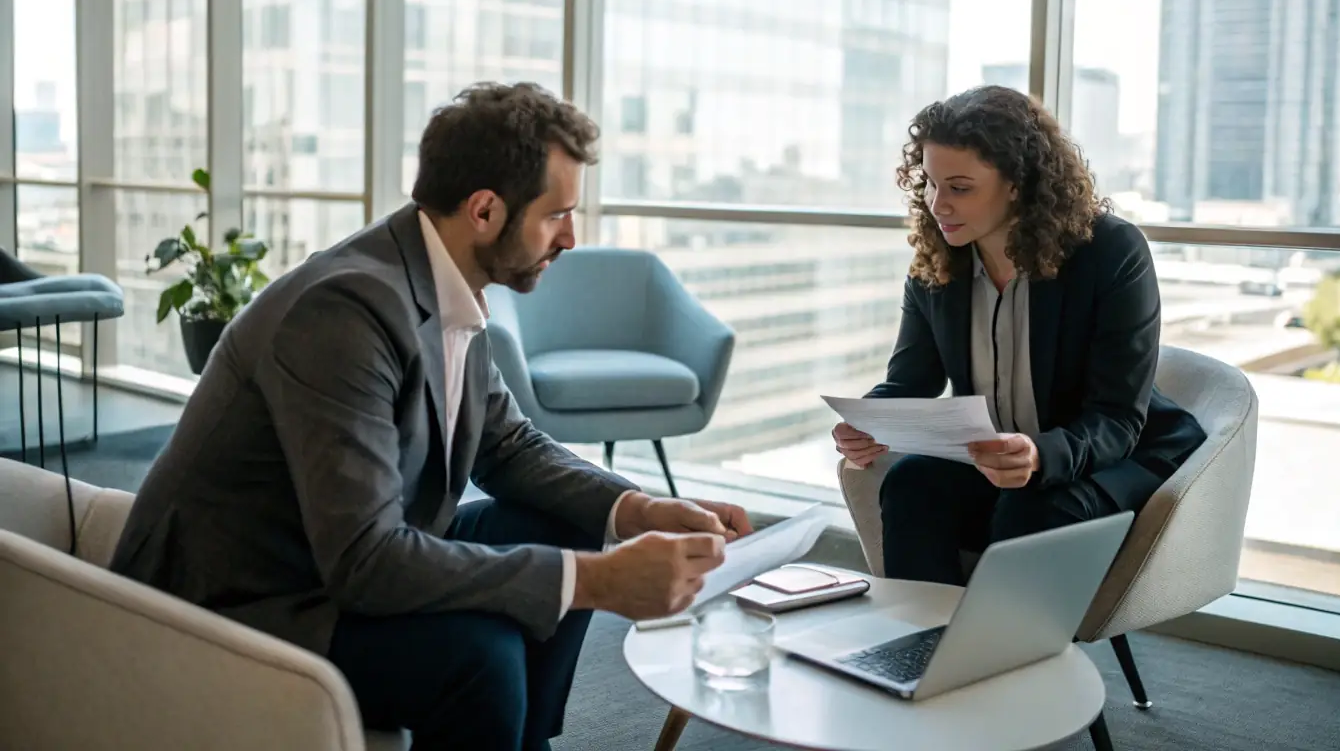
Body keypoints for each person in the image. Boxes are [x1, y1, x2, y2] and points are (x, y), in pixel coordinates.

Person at [112, 82, 753, 750]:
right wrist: (599, 582)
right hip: (242, 599)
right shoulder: (344, 312)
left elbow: (508, 447)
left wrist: (641, 509)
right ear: (483, 210)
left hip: (328, 556)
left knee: (565, 522)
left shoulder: (441, 280)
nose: (571, 236)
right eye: (557, 214)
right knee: (480, 656)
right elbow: (365, 560)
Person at [832, 85, 1205, 585]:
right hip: (1002, 463)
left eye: (960, 187)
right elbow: (909, 384)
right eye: (930, 184)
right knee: (910, 483)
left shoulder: (1110, 252)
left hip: (1115, 457)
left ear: (1017, 184)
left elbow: (1116, 418)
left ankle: (1006, 658)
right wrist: (869, 422)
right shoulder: (936, 266)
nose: (938, 204)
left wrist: (1038, 454)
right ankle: (918, 645)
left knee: (1033, 509)